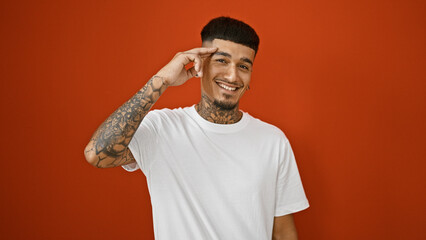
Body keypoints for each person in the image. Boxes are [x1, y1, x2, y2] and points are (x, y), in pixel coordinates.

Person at [84, 16, 309, 240]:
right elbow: (97, 154)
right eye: (222, 60)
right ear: (200, 63)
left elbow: (283, 232)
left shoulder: (273, 140)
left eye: (243, 66)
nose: (232, 75)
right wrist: (161, 79)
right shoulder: (161, 128)